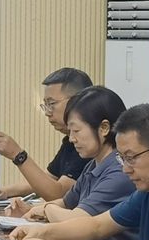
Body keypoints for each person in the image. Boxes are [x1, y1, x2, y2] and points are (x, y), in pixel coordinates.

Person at [10, 103, 149, 240]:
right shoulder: (148, 192)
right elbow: (96, 226)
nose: (125, 169)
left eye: (131, 158)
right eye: (122, 158)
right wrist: (42, 232)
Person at [19, 86, 133, 226]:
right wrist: (31, 210)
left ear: (104, 128)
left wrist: (47, 209)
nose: (71, 139)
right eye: (70, 131)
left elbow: (77, 220)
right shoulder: (93, 165)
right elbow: (66, 203)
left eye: (76, 130)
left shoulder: (120, 171)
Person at [0, 67, 93, 203]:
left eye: (51, 104)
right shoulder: (70, 141)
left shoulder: (88, 144)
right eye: (45, 105)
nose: (47, 112)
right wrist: (4, 191)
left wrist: (18, 155)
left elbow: (58, 194)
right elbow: (49, 178)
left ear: (78, 102)